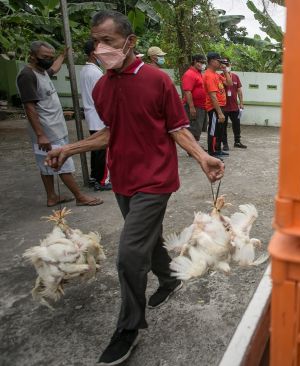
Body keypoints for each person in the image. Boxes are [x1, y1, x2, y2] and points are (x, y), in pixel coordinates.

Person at [45, 10, 224, 365]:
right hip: (123, 181)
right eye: (96, 41)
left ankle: (128, 327)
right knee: (148, 239)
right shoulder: (101, 87)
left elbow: (176, 128)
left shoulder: (157, 80)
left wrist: (202, 156)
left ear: (130, 42)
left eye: (108, 41)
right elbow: (109, 134)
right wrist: (69, 147)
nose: (100, 48)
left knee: (128, 255)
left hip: (156, 180)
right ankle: (170, 278)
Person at [16, 40, 103, 207]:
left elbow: (54, 68)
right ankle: (79, 196)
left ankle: (52, 196)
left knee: (45, 163)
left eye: (50, 56)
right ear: (32, 56)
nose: (48, 59)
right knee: (63, 162)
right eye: (44, 57)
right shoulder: (27, 75)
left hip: (53, 127)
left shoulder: (42, 72)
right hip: (46, 130)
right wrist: (41, 134)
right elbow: (29, 106)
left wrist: (63, 55)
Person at [79, 39, 111, 191]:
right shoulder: (96, 73)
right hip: (98, 117)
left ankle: (94, 177)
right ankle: (102, 180)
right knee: (102, 151)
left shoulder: (86, 70)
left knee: (96, 149)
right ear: (93, 53)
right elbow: (102, 97)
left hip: (92, 115)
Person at [203, 52, 232, 157]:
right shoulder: (209, 76)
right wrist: (219, 113)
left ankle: (218, 149)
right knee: (214, 130)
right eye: (218, 61)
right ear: (211, 61)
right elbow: (213, 96)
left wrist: (225, 71)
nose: (220, 63)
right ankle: (212, 152)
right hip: (214, 107)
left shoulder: (216, 75)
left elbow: (229, 83)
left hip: (220, 106)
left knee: (219, 130)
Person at [219, 57, 247, 149]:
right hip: (223, 107)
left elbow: (239, 90)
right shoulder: (219, 77)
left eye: (227, 65)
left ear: (230, 65)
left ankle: (237, 142)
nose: (226, 66)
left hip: (234, 106)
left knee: (237, 125)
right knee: (223, 126)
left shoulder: (235, 76)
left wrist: (241, 103)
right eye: (224, 65)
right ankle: (225, 144)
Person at [181, 54, 207, 143]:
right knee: (193, 129)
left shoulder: (199, 73)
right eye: (201, 62)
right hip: (193, 106)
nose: (203, 64)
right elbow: (188, 92)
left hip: (201, 106)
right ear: (195, 62)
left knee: (197, 129)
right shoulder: (189, 74)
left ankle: (195, 147)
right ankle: (192, 149)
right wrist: (192, 107)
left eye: (204, 62)